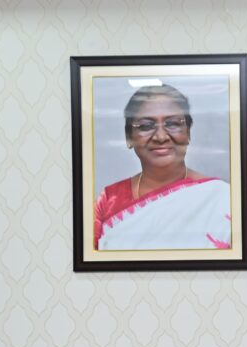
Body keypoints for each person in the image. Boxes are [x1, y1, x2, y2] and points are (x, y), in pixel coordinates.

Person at [94, 84, 232, 251]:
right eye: (146, 126)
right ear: (129, 137)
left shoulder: (223, 199)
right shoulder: (109, 200)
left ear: (188, 133)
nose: (160, 137)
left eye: (173, 124)